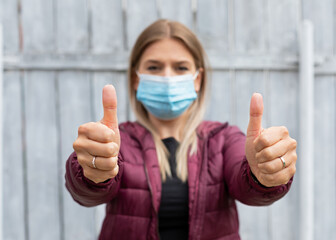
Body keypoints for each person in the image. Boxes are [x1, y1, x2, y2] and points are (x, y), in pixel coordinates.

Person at [65, 19, 297, 240]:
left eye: (180, 67)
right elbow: (87, 194)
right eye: (154, 67)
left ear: (198, 79)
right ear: (136, 78)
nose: (167, 77)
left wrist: (265, 175)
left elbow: (248, 186)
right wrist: (92, 171)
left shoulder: (223, 140)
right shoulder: (118, 142)